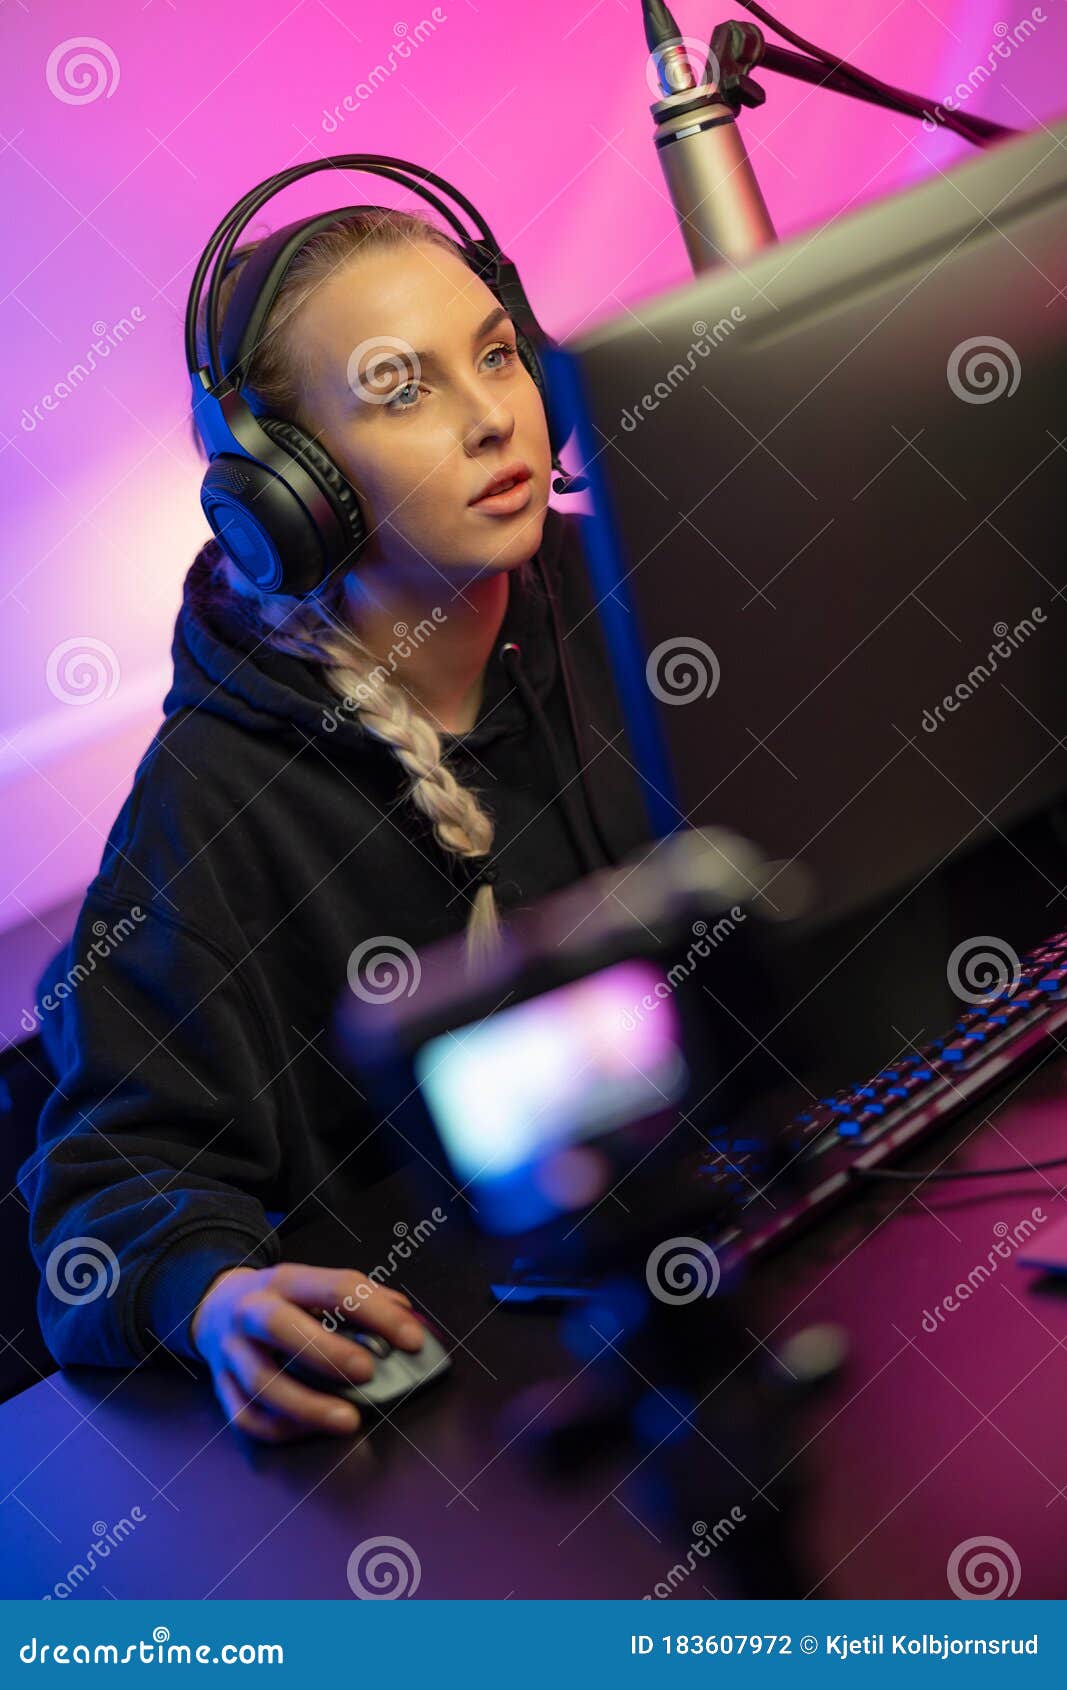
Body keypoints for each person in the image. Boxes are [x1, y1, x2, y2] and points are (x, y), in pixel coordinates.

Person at [18, 204, 653, 1443]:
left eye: (495, 354)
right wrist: (212, 1297)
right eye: (400, 389)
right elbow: (103, 1197)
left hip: (765, 1257)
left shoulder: (651, 592)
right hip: (495, 1432)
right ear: (290, 489)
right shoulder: (213, 794)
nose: (489, 415)